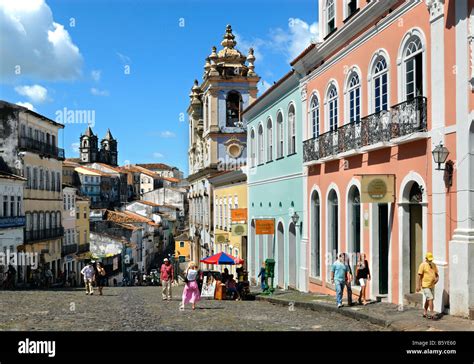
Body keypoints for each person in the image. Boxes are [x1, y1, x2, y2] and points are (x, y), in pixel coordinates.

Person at [417, 252, 439, 319]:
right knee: (430, 298)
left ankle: (425, 312)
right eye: (429, 259)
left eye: (431, 259)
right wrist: (418, 286)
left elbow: (436, 274)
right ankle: (432, 313)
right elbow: (419, 276)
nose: (430, 261)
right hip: (425, 285)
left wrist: (437, 279)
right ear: (426, 258)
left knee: (428, 299)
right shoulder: (422, 265)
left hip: (432, 285)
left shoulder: (433, 265)